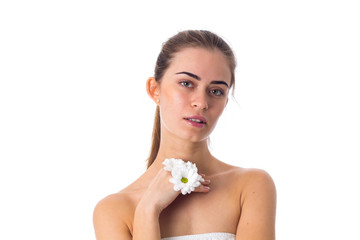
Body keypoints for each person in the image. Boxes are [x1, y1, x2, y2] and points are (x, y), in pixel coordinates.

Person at [93, 30, 276, 240]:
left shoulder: (251, 186)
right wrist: (148, 210)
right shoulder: (113, 210)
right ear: (155, 90)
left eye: (216, 91)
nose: (201, 102)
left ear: (225, 102)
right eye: (187, 83)